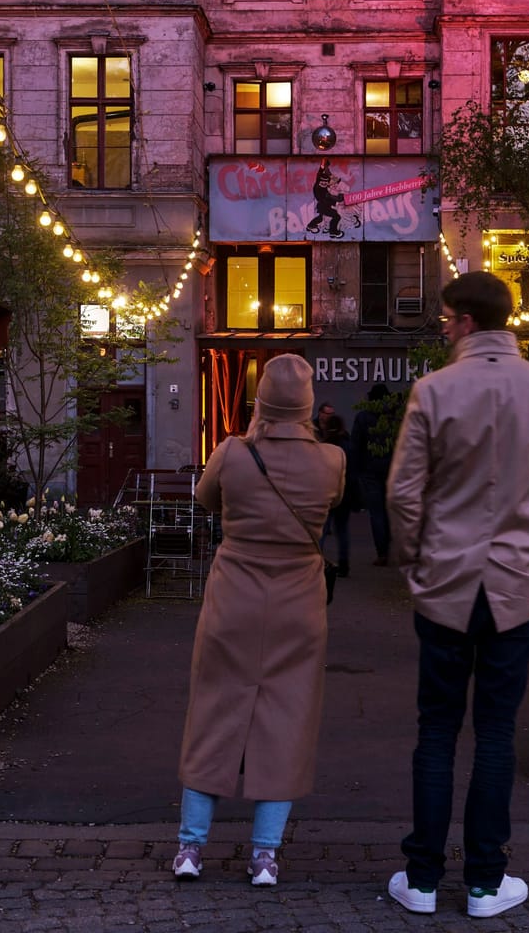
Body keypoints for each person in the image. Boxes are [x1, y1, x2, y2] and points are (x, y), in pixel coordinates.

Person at [384, 272, 529, 919]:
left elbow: (403, 493)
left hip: (445, 580)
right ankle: (483, 883)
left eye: (446, 319)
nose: (443, 328)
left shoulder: (433, 390)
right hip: (516, 583)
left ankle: (420, 879)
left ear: (468, 321)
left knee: (437, 729)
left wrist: (412, 562)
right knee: (496, 731)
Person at [174, 354, 345, 887]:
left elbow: (205, 501)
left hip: (235, 599)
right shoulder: (332, 460)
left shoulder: (232, 452)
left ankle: (190, 848)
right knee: (285, 722)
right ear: (308, 405)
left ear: (261, 401)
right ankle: (265, 855)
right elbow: (332, 508)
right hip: (298, 604)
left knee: (212, 713)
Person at [349, 383, 394, 566]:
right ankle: (390, 548)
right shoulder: (394, 418)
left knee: (376, 513)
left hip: (369, 470)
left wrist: (356, 470)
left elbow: (355, 445)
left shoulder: (363, 417)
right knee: (389, 511)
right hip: (391, 468)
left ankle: (382, 552)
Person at [315, 401, 356, 576]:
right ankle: (343, 564)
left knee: (323, 529)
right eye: (327, 413)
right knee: (340, 530)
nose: (328, 417)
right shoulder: (345, 443)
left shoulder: (323, 445)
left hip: (325, 491)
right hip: (342, 491)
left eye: (331, 414)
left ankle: (317, 564)